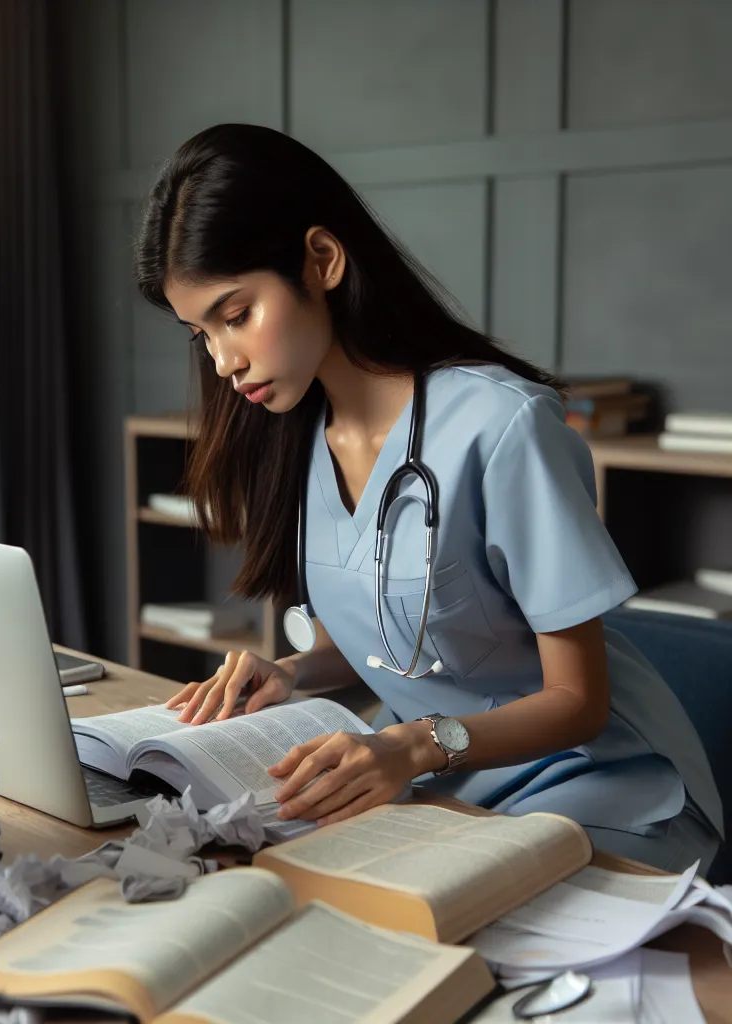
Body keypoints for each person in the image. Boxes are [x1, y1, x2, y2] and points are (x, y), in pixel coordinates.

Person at [134, 123, 722, 873]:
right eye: (200, 334)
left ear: (321, 260)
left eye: (236, 314)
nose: (223, 361)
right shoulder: (298, 435)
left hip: (599, 789)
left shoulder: (501, 427)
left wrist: (412, 745)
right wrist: (291, 671)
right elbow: (398, 628)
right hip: (444, 794)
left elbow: (580, 701)